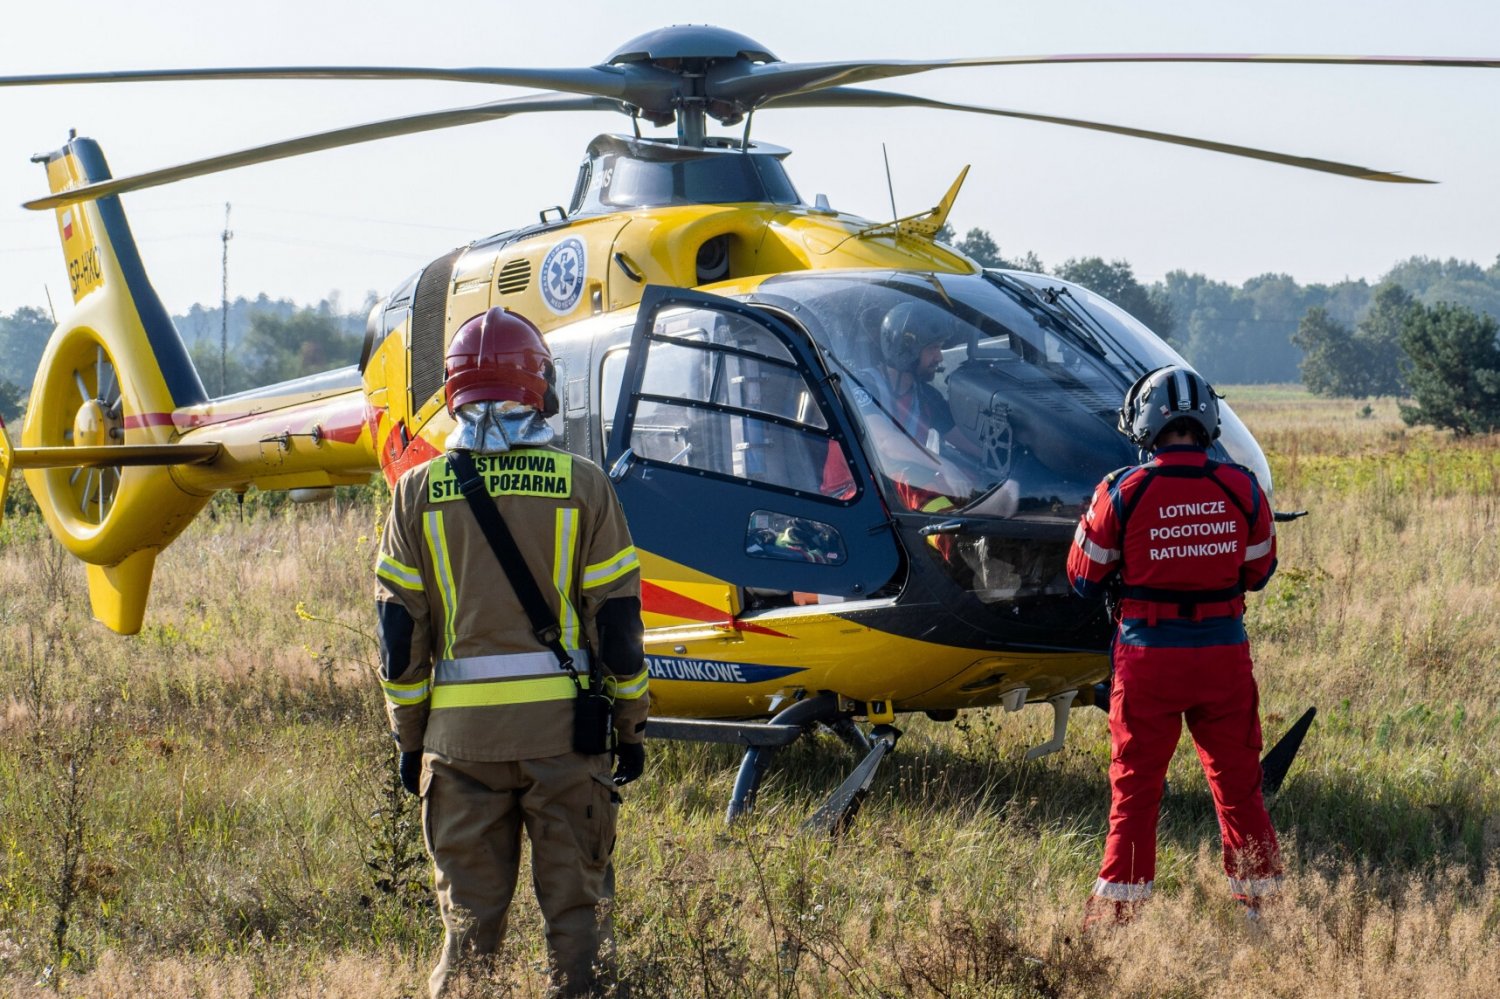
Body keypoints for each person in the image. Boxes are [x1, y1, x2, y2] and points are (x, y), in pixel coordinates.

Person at [374, 307, 649, 996]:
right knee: (580, 922)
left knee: (467, 933)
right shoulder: (584, 485)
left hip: (460, 749)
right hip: (566, 743)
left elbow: (399, 643)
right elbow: (617, 628)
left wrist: (411, 741)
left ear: (455, 392)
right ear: (539, 388)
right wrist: (631, 725)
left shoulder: (416, 493)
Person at [1066, 365, 1281, 927]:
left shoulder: (1122, 490)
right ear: (1207, 420)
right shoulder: (1243, 488)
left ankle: (1118, 920)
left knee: (1135, 794)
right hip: (1222, 656)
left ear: (1143, 424)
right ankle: (1262, 912)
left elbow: (1083, 577)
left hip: (1148, 660)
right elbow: (1260, 571)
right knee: (1239, 788)